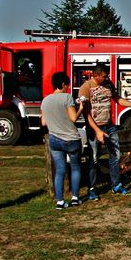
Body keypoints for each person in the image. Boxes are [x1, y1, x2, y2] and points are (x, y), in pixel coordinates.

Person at [78, 63, 131, 200]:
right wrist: (97, 131)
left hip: (109, 125)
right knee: (94, 158)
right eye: (103, 76)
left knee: (116, 155)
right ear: (95, 75)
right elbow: (86, 113)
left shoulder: (108, 84)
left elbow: (117, 99)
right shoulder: (86, 88)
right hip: (94, 127)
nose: (106, 77)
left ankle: (116, 184)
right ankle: (92, 189)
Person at [41, 72, 84, 210]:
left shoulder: (45, 100)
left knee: (59, 170)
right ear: (64, 84)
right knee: (75, 167)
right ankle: (75, 198)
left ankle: (60, 201)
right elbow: (73, 118)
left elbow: (43, 122)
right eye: (68, 85)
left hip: (54, 139)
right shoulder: (67, 98)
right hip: (71, 139)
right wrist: (81, 109)